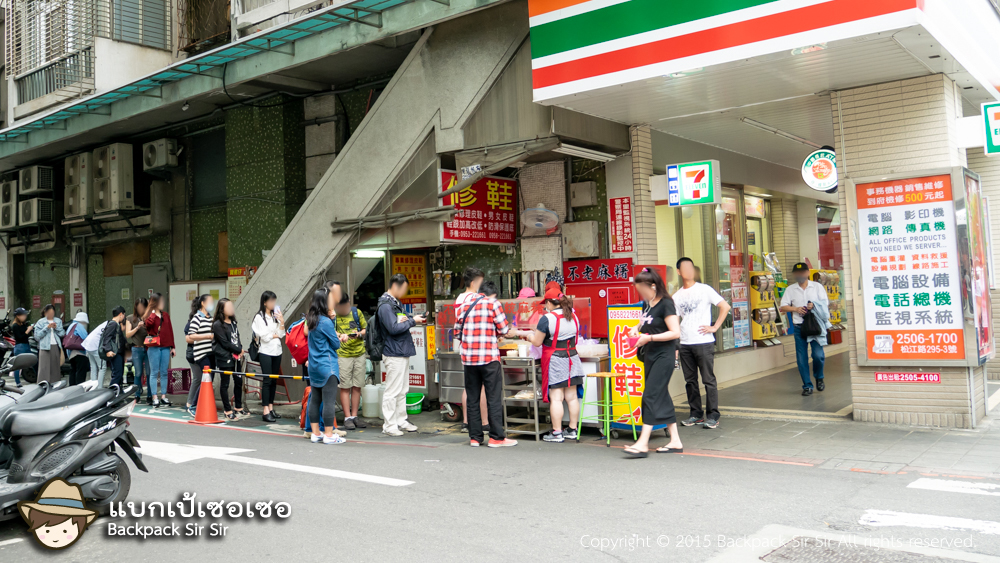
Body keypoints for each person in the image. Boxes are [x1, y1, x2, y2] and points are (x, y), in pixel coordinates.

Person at [623, 267, 683, 457]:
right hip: (650, 355)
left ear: (654, 286)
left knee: (649, 395)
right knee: (661, 395)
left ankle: (642, 442)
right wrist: (635, 329)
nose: (640, 293)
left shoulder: (667, 303)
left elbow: (675, 332)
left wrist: (648, 338)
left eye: (642, 289)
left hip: (664, 355)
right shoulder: (647, 303)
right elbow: (643, 323)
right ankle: (675, 441)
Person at [454, 273, 517, 448]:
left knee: (473, 397)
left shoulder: (463, 306)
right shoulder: (492, 304)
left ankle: (475, 437)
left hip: (469, 359)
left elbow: (457, 332)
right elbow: (504, 329)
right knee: (493, 397)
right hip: (489, 357)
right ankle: (496, 437)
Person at [672, 257, 731, 429]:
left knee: (708, 380)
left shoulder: (704, 289)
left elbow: (725, 306)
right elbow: (674, 321)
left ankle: (712, 415)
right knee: (690, 381)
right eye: (685, 267)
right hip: (685, 343)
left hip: (703, 342)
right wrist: (676, 344)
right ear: (679, 272)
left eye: (691, 267)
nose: (689, 270)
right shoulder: (676, 296)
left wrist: (714, 327)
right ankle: (695, 414)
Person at [520, 287, 584, 443]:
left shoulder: (547, 318)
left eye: (545, 304)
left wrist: (525, 335)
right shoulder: (573, 315)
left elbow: (537, 341)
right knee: (572, 396)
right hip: (572, 358)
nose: (545, 306)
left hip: (556, 359)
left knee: (556, 397)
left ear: (549, 302)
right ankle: (572, 430)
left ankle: (557, 433)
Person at [377, 273, 424, 437]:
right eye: (403, 289)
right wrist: (413, 321)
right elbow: (393, 328)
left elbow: (399, 323)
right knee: (392, 390)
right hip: (393, 351)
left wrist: (410, 319)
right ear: (396, 286)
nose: (404, 292)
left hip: (401, 350)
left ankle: (401, 420)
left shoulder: (394, 304)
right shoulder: (385, 305)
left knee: (402, 389)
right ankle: (389, 424)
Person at [779, 262, 831, 396]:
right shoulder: (791, 289)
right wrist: (796, 309)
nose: (800, 275)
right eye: (797, 273)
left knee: (818, 355)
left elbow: (826, 303)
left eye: (802, 272)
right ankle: (807, 385)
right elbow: (783, 306)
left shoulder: (817, 287)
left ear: (808, 273)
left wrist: (814, 305)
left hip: (815, 325)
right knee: (801, 358)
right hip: (799, 327)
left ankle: (819, 376)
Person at [305, 286, 347, 444]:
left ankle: (315, 433)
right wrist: (333, 320)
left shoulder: (311, 319)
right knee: (328, 401)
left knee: (315, 399)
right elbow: (336, 344)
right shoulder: (326, 321)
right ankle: (329, 435)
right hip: (327, 365)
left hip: (314, 365)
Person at [456, 267, 488, 432]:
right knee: (481, 386)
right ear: (475, 282)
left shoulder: (459, 298)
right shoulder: (477, 298)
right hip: (480, 349)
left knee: (468, 386)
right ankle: (484, 422)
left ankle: (467, 422)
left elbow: (457, 328)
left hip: (465, 349)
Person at [334, 292, 367, 430]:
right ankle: (347, 417)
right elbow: (330, 331)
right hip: (343, 355)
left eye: (346, 305)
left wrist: (359, 333)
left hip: (359, 353)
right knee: (345, 386)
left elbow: (365, 329)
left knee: (357, 386)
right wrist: (341, 335)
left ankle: (354, 416)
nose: (345, 309)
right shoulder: (333, 316)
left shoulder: (356, 312)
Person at [252, 291, 285, 423]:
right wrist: (274, 334)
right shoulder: (259, 317)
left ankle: (271, 408)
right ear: (265, 302)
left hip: (277, 350)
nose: (273, 304)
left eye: (274, 301)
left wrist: (281, 321)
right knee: (266, 380)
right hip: (265, 351)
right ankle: (265, 410)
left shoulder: (275, 316)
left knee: (273, 380)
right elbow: (264, 337)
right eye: (271, 301)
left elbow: (281, 333)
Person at [213, 298, 246, 420]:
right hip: (224, 357)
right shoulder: (217, 324)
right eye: (228, 307)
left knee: (238, 381)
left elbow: (237, 338)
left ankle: (238, 407)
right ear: (222, 309)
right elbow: (224, 343)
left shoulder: (233, 322)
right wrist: (238, 350)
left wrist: (240, 349)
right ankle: (227, 410)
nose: (231, 309)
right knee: (225, 383)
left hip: (236, 357)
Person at [143, 293, 176, 407]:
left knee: (164, 372)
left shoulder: (165, 315)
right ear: (155, 303)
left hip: (166, 347)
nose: (163, 304)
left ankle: (163, 396)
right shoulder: (149, 315)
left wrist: (173, 347)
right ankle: (154, 397)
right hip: (153, 347)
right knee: (154, 372)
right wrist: (152, 314)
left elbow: (170, 331)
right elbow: (148, 326)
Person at [185, 294, 215, 417]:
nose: (212, 304)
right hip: (201, 353)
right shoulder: (197, 317)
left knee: (209, 378)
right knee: (205, 378)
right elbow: (191, 336)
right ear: (203, 303)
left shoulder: (211, 318)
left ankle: (199, 404)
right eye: (209, 301)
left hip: (211, 352)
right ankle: (193, 405)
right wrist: (208, 336)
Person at [32, 305, 65, 385]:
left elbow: (62, 334)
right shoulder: (40, 322)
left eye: (52, 312)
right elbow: (37, 336)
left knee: (55, 368)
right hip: (44, 347)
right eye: (48, 312)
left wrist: (56, 327)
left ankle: (55, 385)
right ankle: (42, 385)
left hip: (55, 346)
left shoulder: (58, 321)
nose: (51, 314)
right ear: (45, 312)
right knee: (44, 368)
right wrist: (47, 327)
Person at [125, 298, 149, 402]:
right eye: (139, 307)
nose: (141, 309)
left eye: (143, 307)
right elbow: (127, 334)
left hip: (148, 348)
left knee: (149, 372)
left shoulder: (149, 318)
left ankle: (150, 395)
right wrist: (137, 327)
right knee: (138, 373)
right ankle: (137, 394)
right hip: (136, 349)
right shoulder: (130, 318)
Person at [100, 307, 128, 388]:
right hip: (115, 353)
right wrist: (108, 350)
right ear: (120, 314)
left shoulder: (116, 324)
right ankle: (111, 393)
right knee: (117, 374)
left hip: (118, 353)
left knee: (119, 374)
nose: (124, 317)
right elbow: (106, 338)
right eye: (123, 315)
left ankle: (117, 392)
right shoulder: (113, 324)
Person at [82, 317, 109, 386]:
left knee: (93, 367)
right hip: (95, 345)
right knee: (102, 367)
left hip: (88, 344)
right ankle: (99, 388)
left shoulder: (105, 324)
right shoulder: (112, 325)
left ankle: (93, 387)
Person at [65, 312, 90, 386]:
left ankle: (72, 387)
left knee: (73, 370)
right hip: (79, 352)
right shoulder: (79, 326)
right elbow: (85, 338)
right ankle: (80, 387)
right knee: (81, 371)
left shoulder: (71, 326)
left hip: (71, 353)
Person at [10, 308, 33, 387]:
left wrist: (30, 329)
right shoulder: (15, 326)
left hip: (26, 345)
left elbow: (27, 336)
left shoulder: (24, 324)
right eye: (23, 315)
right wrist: (27, 331)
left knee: (32, 361)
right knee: (18, 365)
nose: (25, 316)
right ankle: (18, 382)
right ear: (18, 316)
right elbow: (19, 337)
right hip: (20, 346)